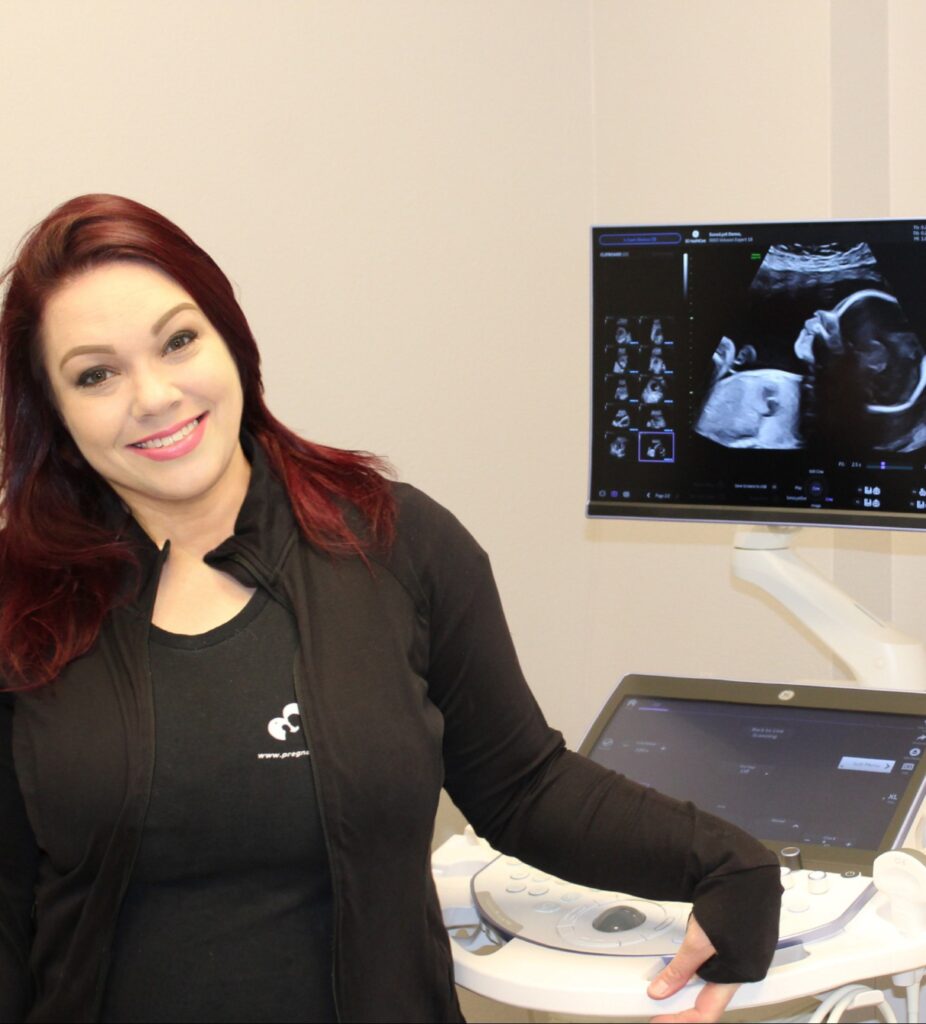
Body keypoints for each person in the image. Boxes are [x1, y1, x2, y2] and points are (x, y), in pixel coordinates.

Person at [0, 195, 781, 1024]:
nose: (154, 395)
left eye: (178, 341)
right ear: (54, 411)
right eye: (96, 375)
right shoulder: (19, 603)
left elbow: (522, 785)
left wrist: (728, 866)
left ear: (230, 338)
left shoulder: (393, 543)